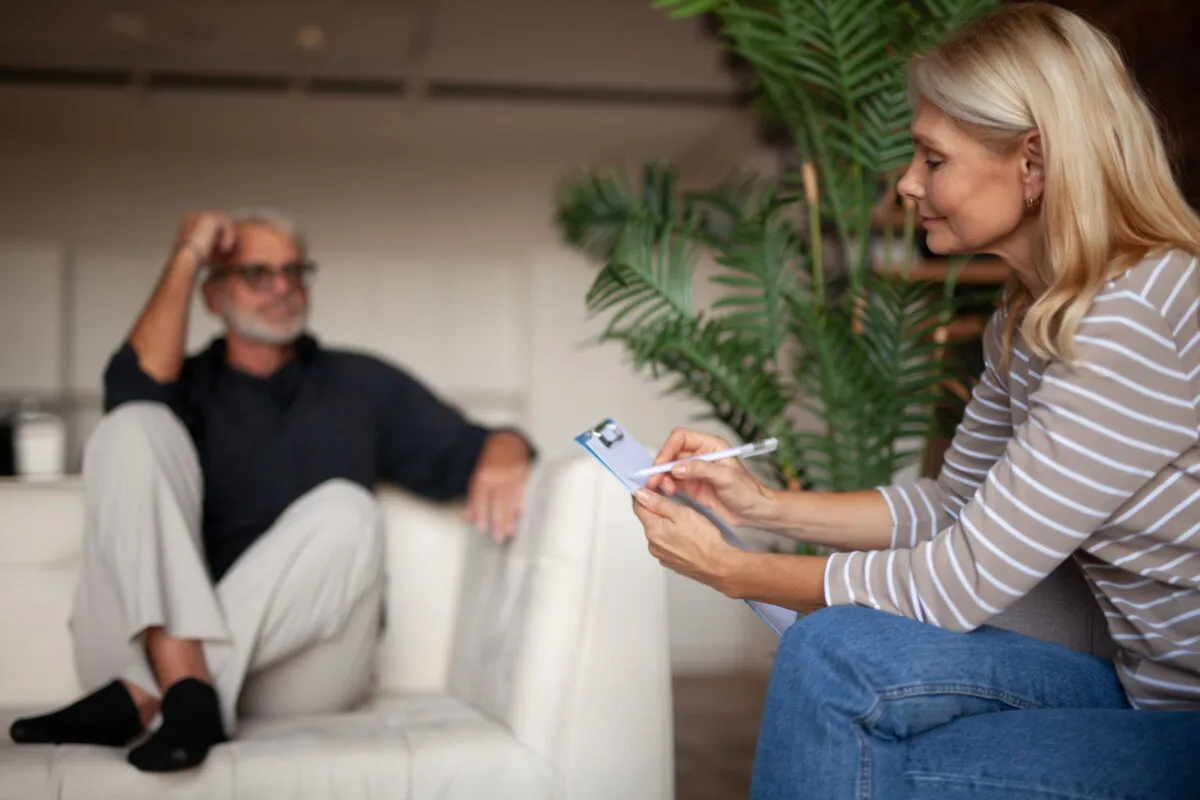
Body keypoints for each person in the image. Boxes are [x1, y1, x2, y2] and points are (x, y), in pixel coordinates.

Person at [630, 4, 1200, 797]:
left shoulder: (1127, 318)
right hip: (1145, 688)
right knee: (837, 655)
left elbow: (958, 579)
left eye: (933, 159)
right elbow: (949, 507)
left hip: (1183, 723)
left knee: (844, 698)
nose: (906, 183)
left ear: (1033, 162)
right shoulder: (1027, 320)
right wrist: (761, 505)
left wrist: (738, 572)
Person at [8, 209, 536, 773]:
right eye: (257, 273)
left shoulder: (361, 383)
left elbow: (471, 447)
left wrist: (506, 445)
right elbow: (128, 389)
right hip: (138, 638)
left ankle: (147, 695)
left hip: (300, 673)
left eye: (293, 271)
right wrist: (190, 249)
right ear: (212, 297)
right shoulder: (181, 385)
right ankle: (179, 687)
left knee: (348, 509)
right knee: (132, 425)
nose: (282, 287)